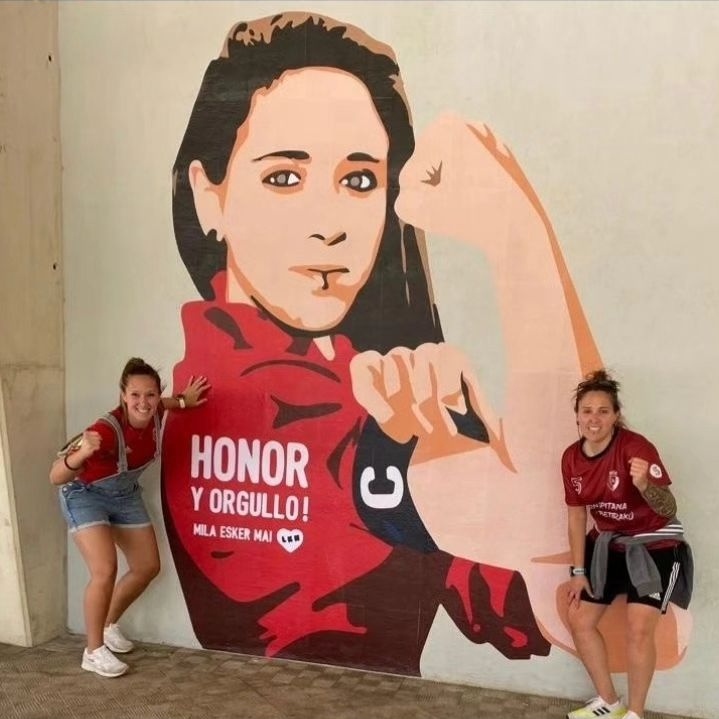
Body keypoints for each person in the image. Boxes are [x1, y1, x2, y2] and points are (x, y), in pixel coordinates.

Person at [161, 11, 604, 674]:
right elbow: (560, 590)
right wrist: (519, 237)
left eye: (360, 179)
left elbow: (540, 606)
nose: (330, 225)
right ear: (208, 196)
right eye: (284, 176)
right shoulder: (292, 399)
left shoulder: (362, 379)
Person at [50, 358, 209, 678]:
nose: (143, 402)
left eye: (150, 395)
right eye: (135, 395)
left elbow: (166, 403)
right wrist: (81, 453)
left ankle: (108, 625)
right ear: (123, 395)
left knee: (148, 566)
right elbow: (55, 476)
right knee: (104, 569)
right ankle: (92, 651)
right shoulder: (104, 431)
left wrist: (182, 401)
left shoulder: (156, 412)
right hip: (84, 494)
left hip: (124, 495)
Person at [562, 369, 693, 719]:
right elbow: (577, 517)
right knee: (580, 619)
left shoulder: (636, 447)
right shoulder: (571, 458)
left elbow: (669, 508)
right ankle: (609, 702)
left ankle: (635, 714)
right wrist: (577, 571)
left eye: (603, 411)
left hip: (655, 549)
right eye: (587, 410)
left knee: (638, 628)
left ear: (616, 415)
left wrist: (645, 485)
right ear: (577, 415)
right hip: (608, 548)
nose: (594, 418)